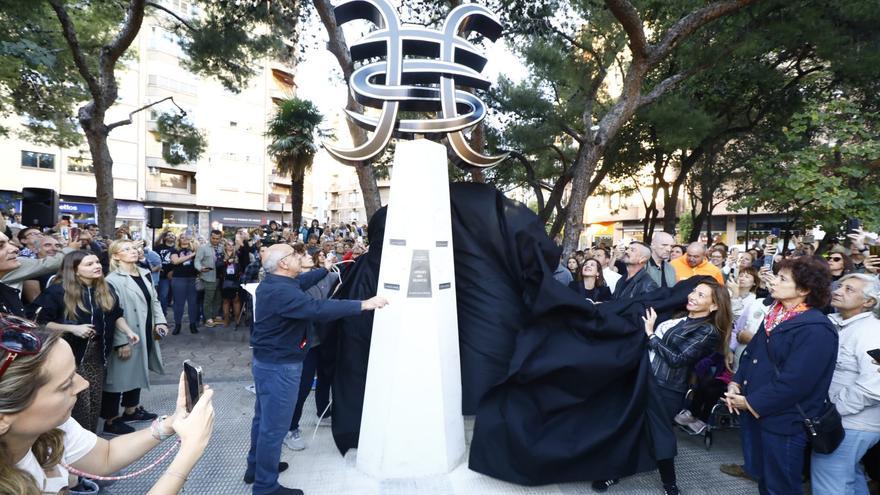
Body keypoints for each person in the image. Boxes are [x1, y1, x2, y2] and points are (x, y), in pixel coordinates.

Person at [0, 319, 215, 495]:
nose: (84, 384)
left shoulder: (52, 429)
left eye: (76, 372)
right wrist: (189, 453)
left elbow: (106, 455)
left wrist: (171, 423)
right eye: (65, 385)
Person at [246, 243, 389, 495]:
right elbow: (318, 309)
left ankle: (256, 468)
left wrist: (324, 269)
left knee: (263, 420)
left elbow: (303, 281)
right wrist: (363, 304)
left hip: (268, 364)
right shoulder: (283, 292)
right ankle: (265, 486)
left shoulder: (275, 283)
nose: (300, 257)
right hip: (280, 368)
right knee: (273, 428)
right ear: (283, 263)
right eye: (294, 254)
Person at [594, 279, 731, 494]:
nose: (693, 296)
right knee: (629, 428)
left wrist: (650, 334)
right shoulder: (679, 317)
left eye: (701, 295)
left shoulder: (708, 331)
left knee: (659, 434)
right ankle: (614, 472)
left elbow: (677, 359)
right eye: (694, 291)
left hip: (666, 389)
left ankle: (670, 484)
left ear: (714, 306)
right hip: (644, 379)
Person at [725, 256, 837, 494]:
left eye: (782, 279)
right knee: (764, 478)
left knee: (781, 486)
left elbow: (796, 382)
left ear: (804, 290)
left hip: (785, 421)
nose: (773, 281)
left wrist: (750, 402)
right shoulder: (775, 314)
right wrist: (736, 382)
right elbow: (752, 354)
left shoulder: (816, 329)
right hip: (758, 414)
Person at [33, 251, 138, 433]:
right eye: (89, 264)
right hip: (69, 355)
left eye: (97, 262)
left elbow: (116, 314)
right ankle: (75, 441)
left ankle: (90, 438)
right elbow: (40, 321)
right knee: (79, 401)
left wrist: (128, 331)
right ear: (74, 270)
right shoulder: (57, 291)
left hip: (97, 353)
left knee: (94, 399)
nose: (97, 266)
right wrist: (72, 328)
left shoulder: (105, 288)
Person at [811, 274, 880, 495]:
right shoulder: (835, 323)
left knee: (830, 482)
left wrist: (832, 411)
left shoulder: (872, 332)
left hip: (852, 423)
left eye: (849, 289)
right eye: (840, 286)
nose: (838, 291)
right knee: (848, 477)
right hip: (845, 421)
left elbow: (874, 386)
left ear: (869, 301)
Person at [103, 240, 167, 435]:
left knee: (138, 369)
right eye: (126, 249)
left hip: (144, 329)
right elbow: (111, 313)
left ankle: (131, 410)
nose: (133, 251)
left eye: (134, 248)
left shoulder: (144, 273)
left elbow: (154, 300)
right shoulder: (112, 280)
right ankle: (110, 421)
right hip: (127, 331)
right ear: (116, 256)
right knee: (117, 376)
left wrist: (160, 322)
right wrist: (120, 341)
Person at [283, 249, 341, 451]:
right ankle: (290, 428)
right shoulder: (294, 284)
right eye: (302, 255)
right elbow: (315, 308)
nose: (308, 256)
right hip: (305, 344)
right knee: (303, 386)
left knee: (326, 377)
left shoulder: (327, 276)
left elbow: (342, 277)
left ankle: (323, 414)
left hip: (323, 339)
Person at [170, 233, 200, 335]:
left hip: (192, 278)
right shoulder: (175, 250)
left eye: (187, 237)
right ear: (179, 240)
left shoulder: (195, 249)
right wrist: (192, 255)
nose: (184, 239)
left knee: (193, 303)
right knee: (179, 304)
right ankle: (177, 325)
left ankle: (193, 325)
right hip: (179, 279)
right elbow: (176, 261)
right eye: (182, 237)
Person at [196, 230, 223, 327]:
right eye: (213, 238)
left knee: (218, 298)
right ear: (210, 237)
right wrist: (200, 268)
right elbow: (197, 261)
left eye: (217, 238)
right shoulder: (203, 248)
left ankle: (214, 316)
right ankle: (208, 318)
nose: (215, 240)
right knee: (208, 299)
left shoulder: (222, 247)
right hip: (209, 277)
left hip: (221, 277)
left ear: (220, 239)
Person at [219, 239, 243, 326]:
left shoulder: (238, 255)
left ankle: (237, 318)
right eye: (228, 245)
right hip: (225, 281)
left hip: (236, 280)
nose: (230, 246)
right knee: (226, 301)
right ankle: (226, 319)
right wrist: (226, 262)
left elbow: (243, 265)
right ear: (225, 246)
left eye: (232, 245)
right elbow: (217, 265)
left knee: (236, 300)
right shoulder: (221, 255)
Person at [155, 231, 177, 315]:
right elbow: (153, 258)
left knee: (176, 296)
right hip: (163, 276)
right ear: (164, 238)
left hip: (176, 275)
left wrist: (173, 271)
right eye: (169, 235)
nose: (171, 236)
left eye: (173, 235)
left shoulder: (177, 248)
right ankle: (162, 314)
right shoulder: (158, 247)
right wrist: (157, 267)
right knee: (163, 295)